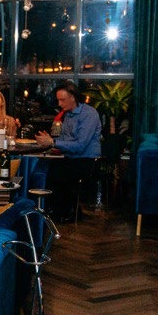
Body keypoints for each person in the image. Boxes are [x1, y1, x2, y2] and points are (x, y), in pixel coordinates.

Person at [35, 83, 102, 219]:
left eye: (62, 100)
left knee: (56, 173)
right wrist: (49, 142)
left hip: (87, 160)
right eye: (58, 100)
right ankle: (52, 210)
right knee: (44, 168)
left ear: (73, 98)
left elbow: (80, 145)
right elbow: (65, 139)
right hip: (71, 158)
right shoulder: (68, 114)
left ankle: (62, 212)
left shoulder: (89, 114)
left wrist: (53, 142)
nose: (59, 104)